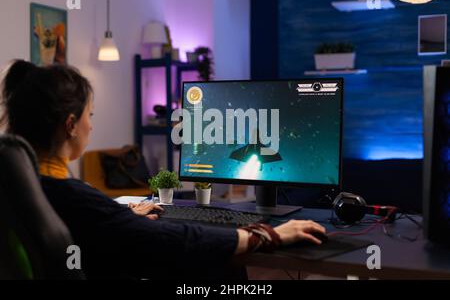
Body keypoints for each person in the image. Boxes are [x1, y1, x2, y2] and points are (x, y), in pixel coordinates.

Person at [0, 60, 327, 279]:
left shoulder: (22, 186)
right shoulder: (73, 197)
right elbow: (177, 239)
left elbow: (91, 225)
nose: (91, 124)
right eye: (90, 115)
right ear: (71, 124)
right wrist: (265, 234)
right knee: (225, 272)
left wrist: (120, 218)